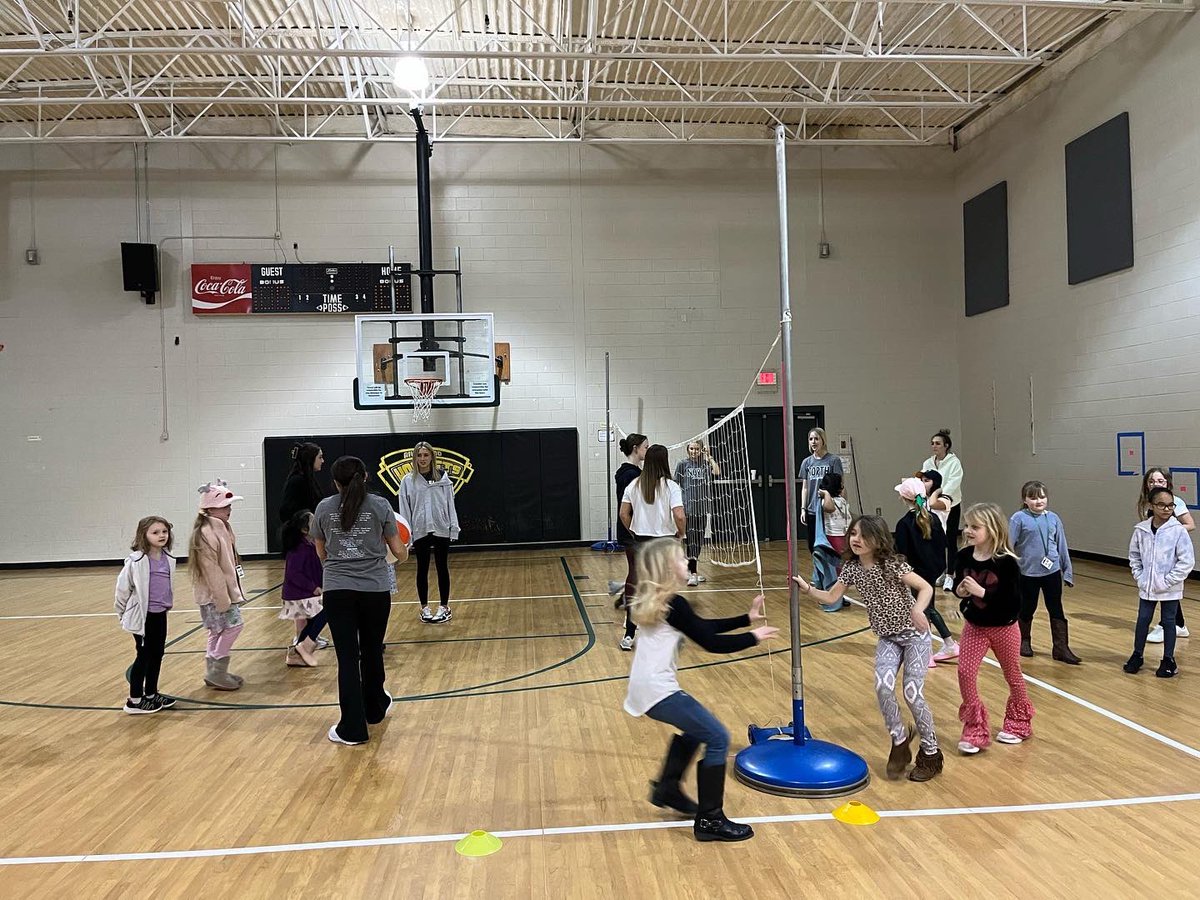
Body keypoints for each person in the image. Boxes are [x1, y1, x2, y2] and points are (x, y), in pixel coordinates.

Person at [624, 538, 777, 841]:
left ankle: (667, 788)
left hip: (646, 687)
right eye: (682, 559)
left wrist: (745, 619)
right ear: (668, 568)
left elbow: (700, 627)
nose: (687, 563)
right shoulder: (673, 603)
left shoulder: (659, 600)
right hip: (658, 690)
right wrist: (753, 637)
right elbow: (710, 642)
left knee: (698, 729)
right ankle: (710, 820)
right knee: (718, 736)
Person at [795, 516, 943, 782]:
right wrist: (807, 589)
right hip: (888, 638)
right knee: (883, 686)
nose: (856, 539)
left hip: (914, 637)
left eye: (863, 535)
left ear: (878, 539)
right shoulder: (851, 568)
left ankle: (931, 754)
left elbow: (924, 587)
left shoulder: (892, 564)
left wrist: (919, 610)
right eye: (853, 533)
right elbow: (831, 597)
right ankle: (899, 740)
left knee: (912, 693)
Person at [312, 456, 409, 745]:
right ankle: (375, 707)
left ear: (335, 482)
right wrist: (401, 554)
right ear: (365, 477)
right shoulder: (380, 506)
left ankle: (352, 728)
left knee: (347, 658)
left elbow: (321, 552)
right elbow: (398, 550)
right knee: (371, 650)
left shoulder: (323, 508)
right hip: (374, 590)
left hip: (337, 590)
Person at [952, 503, 1034, 754]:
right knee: (965, 673)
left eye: (975, 527)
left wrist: (982, 592)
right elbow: (957, 586)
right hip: (975, 626)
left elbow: (1013, 602)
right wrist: (961, 591)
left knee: (1012, 675)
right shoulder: (963, 556)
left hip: (1004, 627)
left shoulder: (1007, 563)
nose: (968, 531)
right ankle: (975, 727)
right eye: (967, 526)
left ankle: (1019, 722)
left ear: (992, 529)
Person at [619, 444, 686, 651]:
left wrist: (633, 531)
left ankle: (629, 635)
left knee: (639, 589)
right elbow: (679, 515)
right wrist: (681, 533)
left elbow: (623, 513)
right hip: (664, 542)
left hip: (641, 542)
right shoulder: (671, 486)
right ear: (664, 461)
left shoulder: (634, 484)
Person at [1125, 486, 1194, 678]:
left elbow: (1187, 560)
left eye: (1170, 505)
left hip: (1170, 587)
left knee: (1169, 621)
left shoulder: (1178, 531)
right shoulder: (1141, 530)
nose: (1166, 509)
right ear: (1151, 505)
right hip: (1147, 586)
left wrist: (1168, 580)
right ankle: (1137, 655)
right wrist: (1140, 576)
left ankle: (1168, 660)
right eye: (1161, 505)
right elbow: (1134, 556)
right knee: (1143, 620)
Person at [1009, 481, 1080, 664]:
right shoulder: (1019, 518)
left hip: (1052, 572)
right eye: (1033, 497)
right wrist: (1008, 571)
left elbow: (1061, 544)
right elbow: (1008, 546)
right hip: (1028, 573)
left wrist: (1067, 571)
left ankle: (1061, 648)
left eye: (1042, 496)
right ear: (1025, 500)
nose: (1038, 501)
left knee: (1056, 608)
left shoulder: (1053, 518)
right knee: (1027, 608)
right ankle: (1023, 641)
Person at [115, 516, 178, 714]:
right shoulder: (137, 561)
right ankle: (134, 700)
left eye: (164, 532)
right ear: (144, 535)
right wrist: (122, 613)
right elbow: (122, 589)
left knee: (158, 653)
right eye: (155, 532)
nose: (161, 535)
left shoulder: (168, 558)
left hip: (160, 613)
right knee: (144, 655)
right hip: (143, 617)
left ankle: (151, 693)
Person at [189, 481, 249, 691]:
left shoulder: (221, 528)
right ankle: (217, 670)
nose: (229, 510)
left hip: (221, 594)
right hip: (216, 596)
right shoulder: (207, 533)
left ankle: (214, 670)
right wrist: (223, 598)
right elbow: (212, 570)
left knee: (216, 630)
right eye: (225, 506)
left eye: (229, 506)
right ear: (209, 509)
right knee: (234, 626)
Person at [893, 477, 959, 666]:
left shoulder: (904, 524)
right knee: (928, 608)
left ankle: (929, 651)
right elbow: (943, 545)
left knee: (921, 610)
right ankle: (945, 644)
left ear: (903, 498)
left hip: (915, 574)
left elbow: (901, 554)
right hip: (931, 571)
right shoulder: (933, 519)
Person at [398, 441, 460, 624]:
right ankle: (424, 607)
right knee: (422, 569)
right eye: (419, 455)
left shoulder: (443, 478)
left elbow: (450, 504)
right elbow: (405, 508)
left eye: (426, 455)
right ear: (415, 458)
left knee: (442, 567)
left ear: (432, 456)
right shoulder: (408, 481)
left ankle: (444, 607)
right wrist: (406, 535)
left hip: (441, 528)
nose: (422, 459)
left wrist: (453, 528)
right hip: (420, 530)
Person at [1137, 468, 1195, 644]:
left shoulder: (1175, 501)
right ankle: (1180, 625)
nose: (1156, 484)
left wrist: (1168, 532)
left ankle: (1167, 624)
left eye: (1160, 481)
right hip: (1153, 555)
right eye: (1152, 481)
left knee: (1168, 591)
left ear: (1167, 483)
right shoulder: (1146, 503)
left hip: (1170, 555)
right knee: (1162, 592)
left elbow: (1190, 524)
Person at [279, 510, 326, 667]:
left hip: (305, 592)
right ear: (304, 530)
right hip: (299, 593)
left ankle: (298, 651)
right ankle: (302, 646)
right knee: (324, 613)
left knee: (310, 621)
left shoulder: (309, 545)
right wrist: (313, 587)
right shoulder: (299, 549)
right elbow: (294, 573)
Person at [921, 429, 964, 590]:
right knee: (935, 539)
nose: (934, 446)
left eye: (938, 443)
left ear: (946, 445)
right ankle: (939, 570)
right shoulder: (928, 463)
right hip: (932, 506)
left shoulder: (954, 463)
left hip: (949, 505)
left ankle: (950, 575)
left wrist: (939, 496)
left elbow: (953, 483)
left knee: (950, 540)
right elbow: (923, 482)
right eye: (932, 443)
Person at [674, 440, 721, 586]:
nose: (694, 451)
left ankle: (691, 571)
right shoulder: (683, 464)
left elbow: (717, 472)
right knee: (692, 540)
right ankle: (692, 573)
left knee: (699, 541)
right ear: (688, 450)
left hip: (702, 508)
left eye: (697, 449)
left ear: (701, 450)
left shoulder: (705, 465)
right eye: (692, 449)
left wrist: (709, 456)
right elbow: (676, 485)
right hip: (688, 508)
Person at [610, 433, 649, 607]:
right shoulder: (631, 474)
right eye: (645, 447)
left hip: (632, 527)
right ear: (635, 449)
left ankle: (626, 597)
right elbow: (629, 508)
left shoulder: (629, 472)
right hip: (631, 528)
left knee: (638, 568)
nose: (647, 450)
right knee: (636, 569)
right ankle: (631, 607)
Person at [799, 428, 843, 565]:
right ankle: (819, 572)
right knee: (813, 544)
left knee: (828, 543)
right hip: (813, 509)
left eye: (816, 438)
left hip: (828, 509)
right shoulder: (807, 462)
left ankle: (831, 574)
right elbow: (805, 487)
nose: (813, 442)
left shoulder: (833, 460)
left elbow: (840, 485)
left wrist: (841, 506)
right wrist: (803, 508)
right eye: (811, 439)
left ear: (823, 440)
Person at [813, 472, 852, 609]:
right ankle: (831, 597)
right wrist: (826, 493)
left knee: (842, 569)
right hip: (833, 537)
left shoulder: (841, 500)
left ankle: (840, 596)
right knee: (836, 569)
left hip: (844, 536)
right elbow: (829, 508)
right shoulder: (826, 501)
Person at [279, 442, 326, 524]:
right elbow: (286, 512)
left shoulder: (308, 479)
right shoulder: (298, 480)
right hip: (301, 533)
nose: (322, 461)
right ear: (310, 459)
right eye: (320, 457)